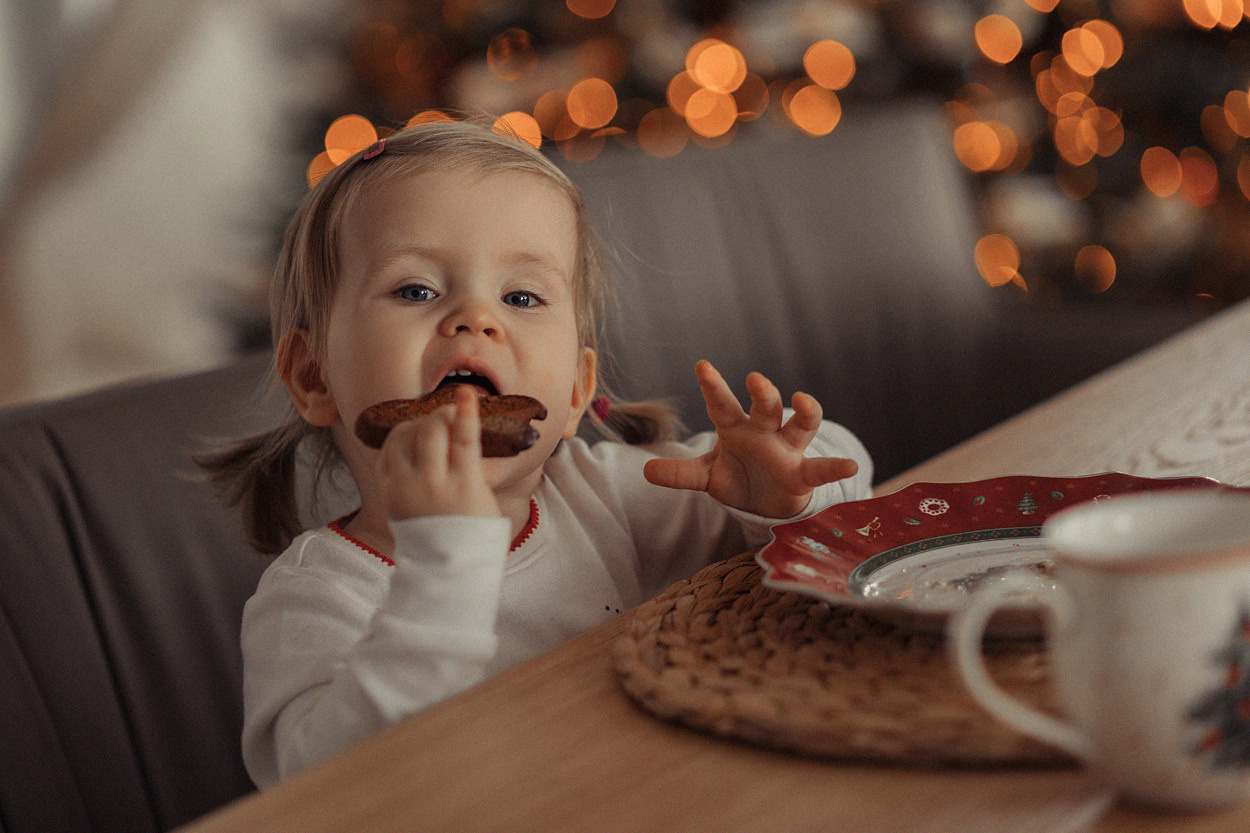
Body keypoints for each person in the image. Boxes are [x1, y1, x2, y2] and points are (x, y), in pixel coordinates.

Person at [200, 118, 873, 788]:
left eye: (521, 296)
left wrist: (787, 492)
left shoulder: (603, 498)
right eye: (415, 290)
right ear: (316, 376)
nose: (474, 318)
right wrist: (447, 559)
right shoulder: (315, 597)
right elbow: (332, 792)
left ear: (576, 392)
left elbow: (847, 518)